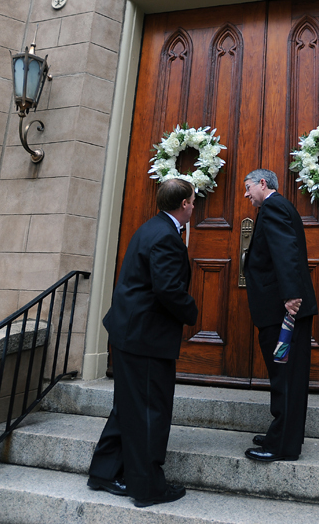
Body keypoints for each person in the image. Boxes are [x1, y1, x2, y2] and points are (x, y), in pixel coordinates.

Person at [87, 178, 198, 507]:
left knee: (128, 406)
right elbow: (167, 289)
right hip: (144, 339)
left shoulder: (152, 227)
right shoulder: (166, 236)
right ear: (183, 204)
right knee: (150, 411)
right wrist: (191, 310)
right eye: (192, 201)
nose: (194, 205)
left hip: (129, 333)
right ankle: (148, 487)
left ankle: (105, 471)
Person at [242, 168, 318, 462]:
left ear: (263, 183)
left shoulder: (273, 206)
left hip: (285, 309)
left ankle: (281, 445)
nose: (247, 194)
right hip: (282, 307)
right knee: (285, 376)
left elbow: (285, 251)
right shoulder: (277, 206)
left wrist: (291, 295)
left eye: (249, 187)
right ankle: (283, 435)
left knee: (285, 377)